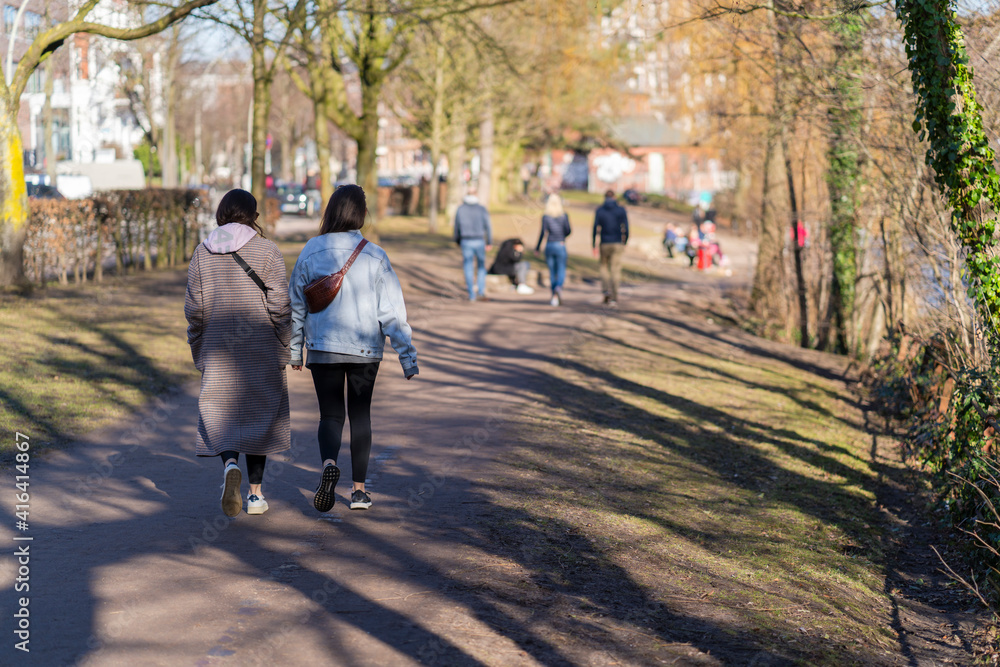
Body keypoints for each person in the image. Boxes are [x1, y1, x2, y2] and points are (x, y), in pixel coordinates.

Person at [289, 185, 418, 513]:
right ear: (361, 214)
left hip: (323, 350)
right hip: (365, 352)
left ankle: (329, 463)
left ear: (331, 211)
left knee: (330, 415)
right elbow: (391, 310)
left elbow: (296, 305)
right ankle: (359, 492)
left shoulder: (310, 250)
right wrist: (406, 354)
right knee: (361, 416)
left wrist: (294, 350)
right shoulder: (375, 254)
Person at [185, 189, 291, 517]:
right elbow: (280, 305)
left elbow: (194, 309)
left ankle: (230, 465)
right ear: (254, 216)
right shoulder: (267, 250)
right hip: (260, 345)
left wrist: (197, 345)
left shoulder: (202, 253)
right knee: (260, 415)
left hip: (218, 347)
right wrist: (285, 343)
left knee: (220, 412)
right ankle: (256, 496)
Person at [453, 188, 492, 301]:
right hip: (479, 240)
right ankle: (480, 290)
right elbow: (488, 226)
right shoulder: (481, 209)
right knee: (481, 266)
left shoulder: (460, 209)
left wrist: (457, 240)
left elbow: (457, 226)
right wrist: (489, 241)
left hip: (466, 240)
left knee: (468, 267)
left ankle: (471, 294)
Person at [592, 190, 629, 306]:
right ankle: (614, 296)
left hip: (604, 243)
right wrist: (625, 241)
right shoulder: (621, 210)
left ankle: (606, 290)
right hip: (617, 243)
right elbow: (626, 227)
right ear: (614, 197)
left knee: (603, 268)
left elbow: (595, 228)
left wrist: (594, 244)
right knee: (615, 270)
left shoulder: (600, 210)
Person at [536, 194, 572, 306]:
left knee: (552, 272)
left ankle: (553, 296)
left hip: (550, 244)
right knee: (561, 270)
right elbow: (568, 230)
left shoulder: (545, 216)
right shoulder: (564, 215)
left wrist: (537, 248)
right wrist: (562, 237)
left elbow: (543, 233)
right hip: (560, 244)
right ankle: (558, 287)